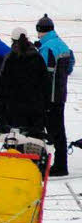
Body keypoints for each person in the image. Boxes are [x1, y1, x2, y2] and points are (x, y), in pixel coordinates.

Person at [36, 15, 74, 176]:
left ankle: (56, 166)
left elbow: (40, 71)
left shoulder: (46, 48)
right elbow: (70, 66)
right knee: (59, 130)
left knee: (47, 130)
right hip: (60, 94)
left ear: (39, 31)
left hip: (48, 96)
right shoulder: (63, 45)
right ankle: (61, 163)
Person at [0, 29, 48, 137]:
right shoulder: (37, 57)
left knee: (16, 141)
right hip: (35, 107)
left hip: (14, 108)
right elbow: (45, 82)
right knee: (35, 140)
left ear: (12, 40)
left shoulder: (9, 58)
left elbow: (2, 83)